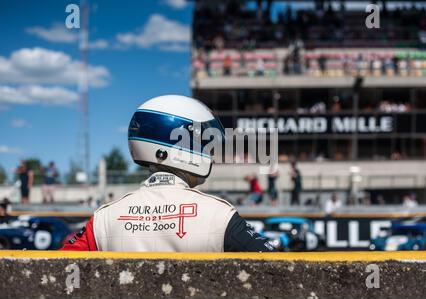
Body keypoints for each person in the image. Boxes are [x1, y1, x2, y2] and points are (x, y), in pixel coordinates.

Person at [61, 95, 273, 252]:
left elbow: (61, 270)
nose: (208, 153)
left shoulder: (102, 219)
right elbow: (277, 269)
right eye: (202, 143)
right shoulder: (220, 215)